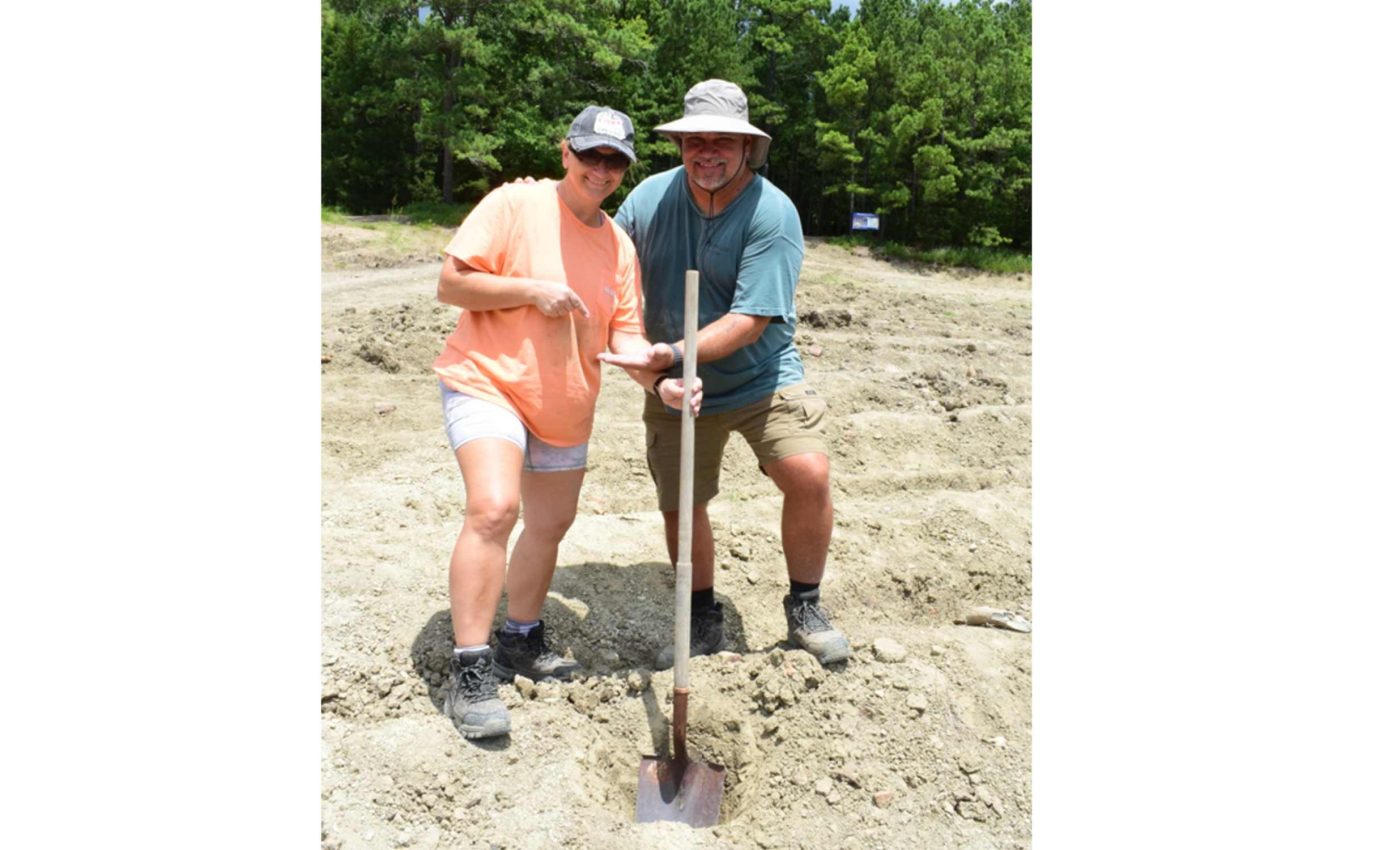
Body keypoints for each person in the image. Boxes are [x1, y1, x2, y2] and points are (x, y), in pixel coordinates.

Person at [433, 105, 700, 739]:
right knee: (495, 509)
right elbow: (452, 283)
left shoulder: (618, 248)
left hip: (566, 404)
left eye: (614, 162)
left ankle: (520, 638)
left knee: (549, 524)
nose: (601, 170)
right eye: (591, 156)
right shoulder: (513, 206)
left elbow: (626, 340)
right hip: (488, 381)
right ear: (565, 153)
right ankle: (470, 671)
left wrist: (663, 381)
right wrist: (529, 289)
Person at [598, 80, 851, 669]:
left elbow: (752, 318)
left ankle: (806, 605)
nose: (706, 151)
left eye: (722, 141)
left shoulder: (773, 212)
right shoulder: (647, 202)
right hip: (672, 379)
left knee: (808, 473)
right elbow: (611, 285)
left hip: (760, 376)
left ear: (747, 149)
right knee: (682, 502)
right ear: (681, 142)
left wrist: (673, 351)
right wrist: (658, 373)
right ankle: (701, 614)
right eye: (695, 140)